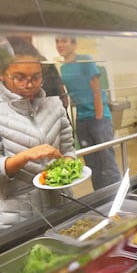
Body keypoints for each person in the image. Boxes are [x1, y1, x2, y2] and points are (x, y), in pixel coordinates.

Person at [0, 42, 76, 230]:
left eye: (36, 77)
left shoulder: (54, 105)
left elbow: (68, 148)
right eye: (19, 78)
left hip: (61, 203)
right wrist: (25, 156)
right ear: (2, 75)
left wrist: (68, 165)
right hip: (19, 214)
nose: (29, 85)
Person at [55, 35, 121, 190]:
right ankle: (100, 196)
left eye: (64, 40)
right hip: (81, 119)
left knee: (107, 160)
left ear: (74, 44)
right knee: (91, 163)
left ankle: (116, 195)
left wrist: (98, 119)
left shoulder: (85, 60)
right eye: (57, 42)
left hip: (99, 117)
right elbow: (67, 94)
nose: (60, 44)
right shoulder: (63, 67)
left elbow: (97, 91)